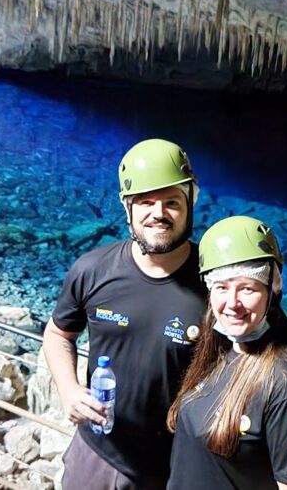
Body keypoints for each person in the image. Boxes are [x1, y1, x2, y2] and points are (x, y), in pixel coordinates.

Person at [42, 138, 208, 490]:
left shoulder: (215, 286)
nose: (158, 213)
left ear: (190, 203)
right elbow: (58, 334)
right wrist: (70, 391)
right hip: (96, 453)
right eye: (145, 202)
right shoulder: (92, 270)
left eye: (171, 203)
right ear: (127, 209)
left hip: (173, 468)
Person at [166, 215, 287, 490]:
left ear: (272, 289)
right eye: (222, 288)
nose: (232, 304)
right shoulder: (218, 346)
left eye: (247, 289)